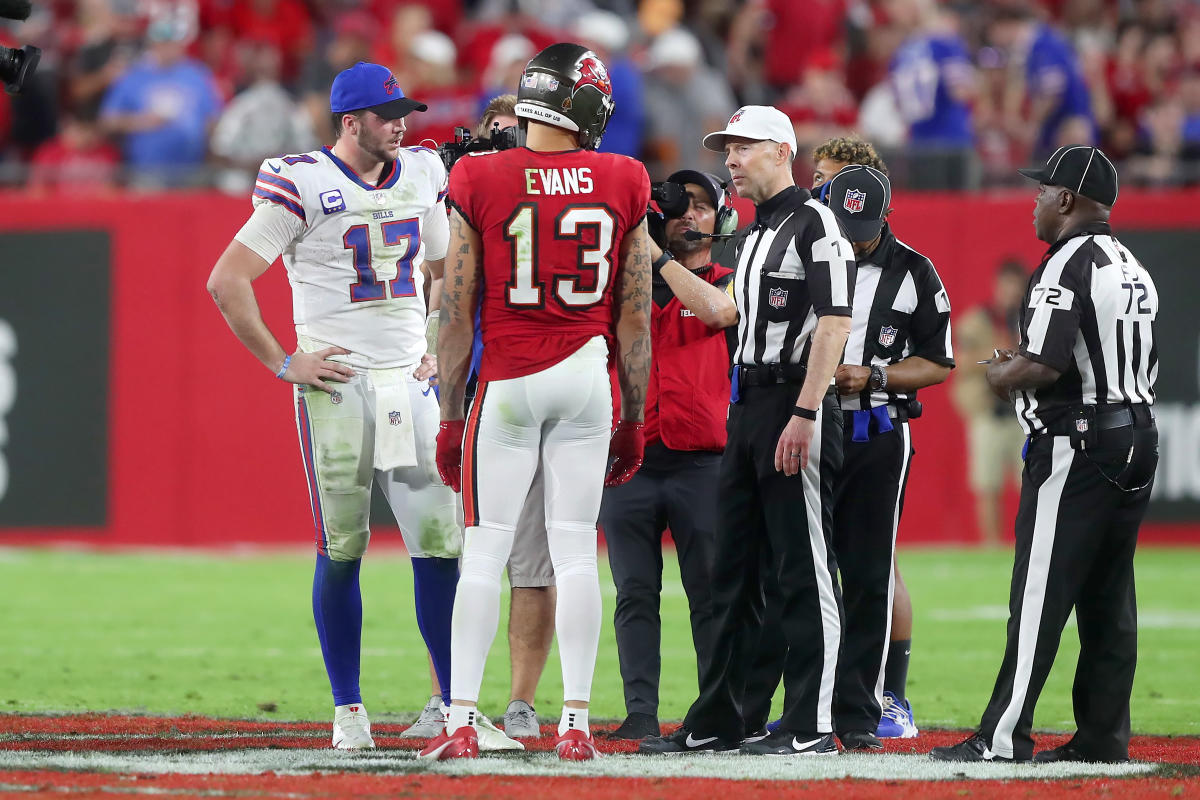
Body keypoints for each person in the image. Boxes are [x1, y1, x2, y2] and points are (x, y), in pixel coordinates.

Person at [205, 61, 467, 751]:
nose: (401, 124)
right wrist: (286, 362)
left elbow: (443, 268)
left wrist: (436, 341)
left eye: (404, 112)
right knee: (344, 547)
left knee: (441, 546)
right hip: (338, 384)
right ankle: (348, 711)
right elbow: (227, 280)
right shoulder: (302, 181)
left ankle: (449, 704)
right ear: (351, 121)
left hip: (410, 381)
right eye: (387, 115)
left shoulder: (420, 173)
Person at [420, 42, 652, 762]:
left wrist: (453, 413)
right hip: (588, 376)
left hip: (511, 379)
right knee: (577, 552)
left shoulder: (478, 174)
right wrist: (636, 415)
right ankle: (576, 725)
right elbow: (635, 315)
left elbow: (453, 314)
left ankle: (461, 718)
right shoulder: (623, 176)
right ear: (586, 107)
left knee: (485, 552)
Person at [639, 105, 855, 757]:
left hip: (795, 401)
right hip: (752, 406)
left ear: (781, 150)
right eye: (726, 148)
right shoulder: (758, 233)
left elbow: (835, 322)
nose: (729, 159)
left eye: (742, 147)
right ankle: (723, 718)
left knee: (804, 569)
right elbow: (730, 312)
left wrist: (807, 411)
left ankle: (814, 723)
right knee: (732, 574)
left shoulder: (817, 221)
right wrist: (656, 260)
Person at [932, 145, 1159, 764]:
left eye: (1041, 191)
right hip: (1135, 432)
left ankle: (1002, 737)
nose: (1034, 201)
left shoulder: (1065, 263)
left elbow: (1047, 362)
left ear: (1066, 199)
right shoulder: (1129, 263)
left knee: (1038, 595)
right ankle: (1104, 736)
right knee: (1110, 596)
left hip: (1079, 441)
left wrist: (1002, 372)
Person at [402, 94, 559, 741]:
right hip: (473, 397)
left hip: (533, 390)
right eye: (489, 139)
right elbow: (443, 293)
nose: (496, 151)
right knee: (461, 552)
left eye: (508, 139)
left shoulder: (554, 207)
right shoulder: (457, 208)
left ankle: (521, 701)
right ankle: (449, 694)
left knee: (535, 559)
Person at [597, 169, 735, 741]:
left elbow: (716, 312)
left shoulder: (734, 278)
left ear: (720, 218)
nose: (688, 216)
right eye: (678, 206)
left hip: (703, 463)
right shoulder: (619, 281)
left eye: (701, 206)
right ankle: (640, 712)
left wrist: (655, 259)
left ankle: (714, 713)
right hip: (629, 459)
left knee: (709, 595)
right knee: (633, 594)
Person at [951, 259, 1029, 547]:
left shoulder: (1031, 319)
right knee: (988, 485)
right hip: (988, 413)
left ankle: (1030, 544)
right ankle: (992, 545)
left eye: (1016, 285)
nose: (1010, 291)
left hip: (1025, 414)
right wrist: (996, 353)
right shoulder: (978, 321)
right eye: (1006, 284)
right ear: (997, 285)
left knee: (1031, 485)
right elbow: (960, 362)